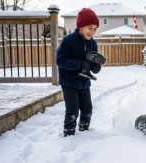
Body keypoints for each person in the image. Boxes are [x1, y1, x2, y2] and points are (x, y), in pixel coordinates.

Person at [56, 8, 101, 137]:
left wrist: (95, 67)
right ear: (80, 26)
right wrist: (79, 64)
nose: (92, 32)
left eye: (95, 29)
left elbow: (93, 60)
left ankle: (84, 133)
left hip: (84, 82)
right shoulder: (68, 41)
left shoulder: (93, 43)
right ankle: (69, 135)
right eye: (90, 28)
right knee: (72, 111)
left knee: (87, 110)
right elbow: (60, 60)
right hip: (69, 82)